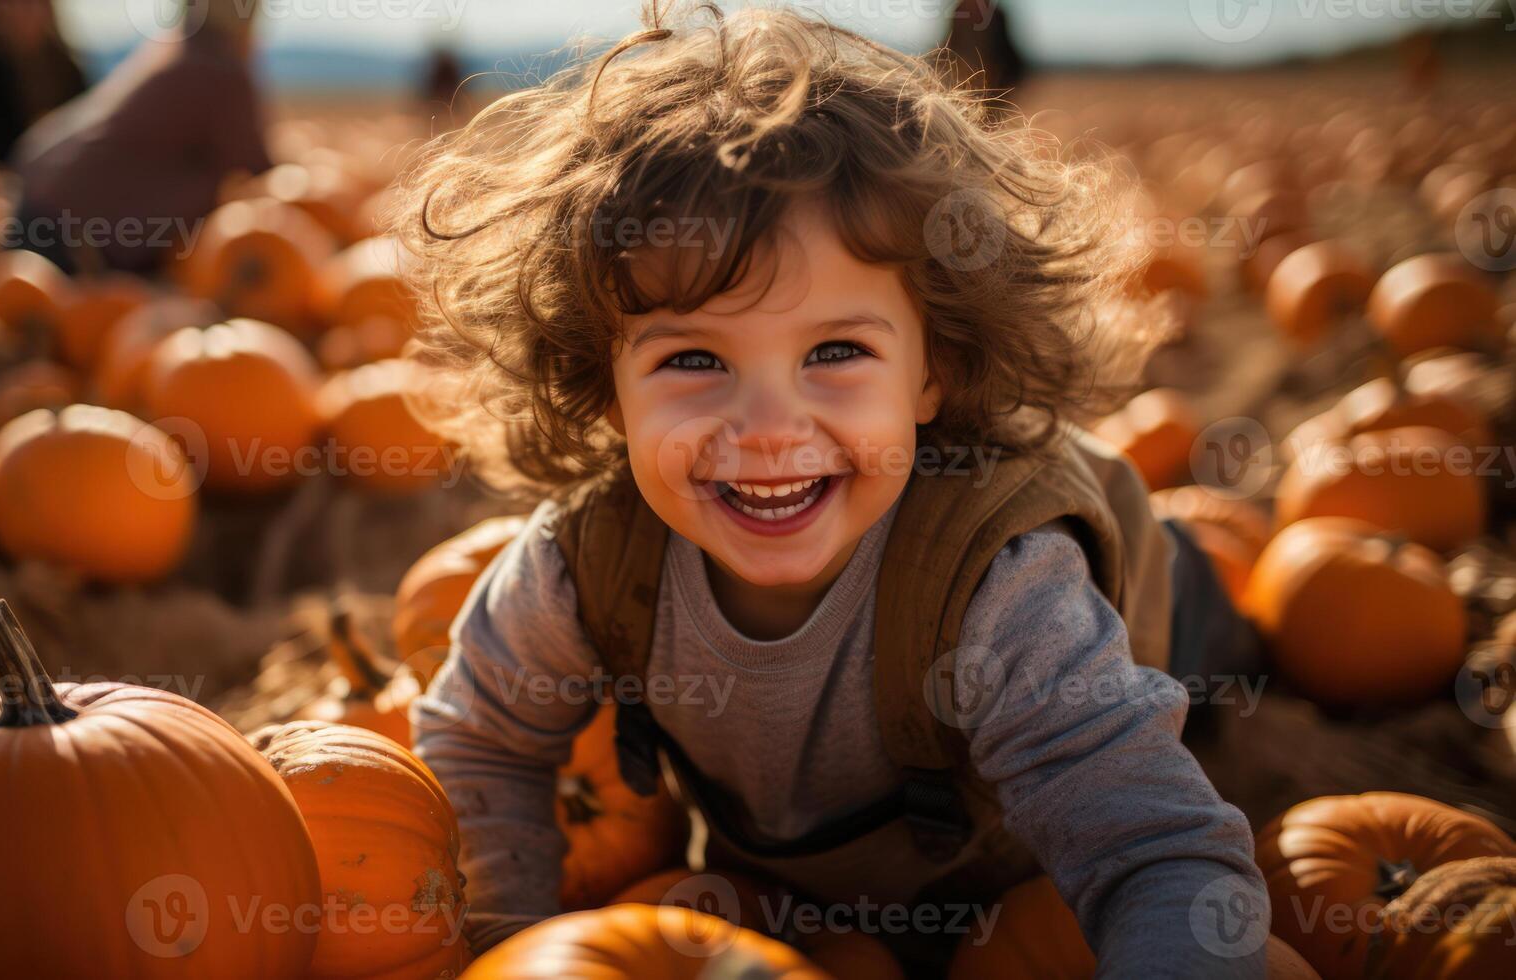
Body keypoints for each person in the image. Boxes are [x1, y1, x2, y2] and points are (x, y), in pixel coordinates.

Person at [396, 3, 1271, 976]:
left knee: (1202, 644)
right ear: (605, 391)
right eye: (694, 357)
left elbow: (1154, 850)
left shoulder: (1007, 585)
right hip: (795, 916)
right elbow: (477, 741)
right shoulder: (583, 562)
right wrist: (511, 948)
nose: (769, 428)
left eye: (836, 351)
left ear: (932, 370)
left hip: (1099, 679)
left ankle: (1200, 587)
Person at [8, 0, 273, 275]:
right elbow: (260, 171)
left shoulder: (174, 48)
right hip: (64, 240)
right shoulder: (221, 70)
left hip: (34, 202)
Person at [0, 0, 89, 166]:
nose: (25, 11)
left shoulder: (68, 64)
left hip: (68, 162)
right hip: (17, 168)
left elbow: (85, 119)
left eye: (34, 3)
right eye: (15, 4)